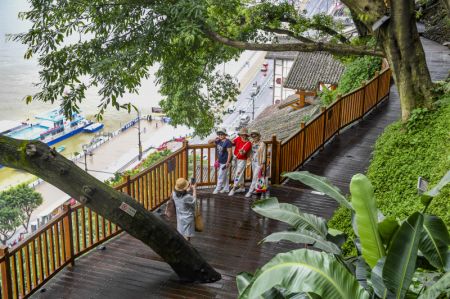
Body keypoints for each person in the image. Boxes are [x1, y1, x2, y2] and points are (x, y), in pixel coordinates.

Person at [209, 128, 232, 194]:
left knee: (220, 175)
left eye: (222, 134)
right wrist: (215, 139)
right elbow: (209, 142)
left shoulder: (228, 142)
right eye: (219, 134)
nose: (220, 135)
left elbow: (230, 153)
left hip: (225, 161)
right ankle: (226, 188)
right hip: (220, 161)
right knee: (225, 176)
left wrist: (228, 162)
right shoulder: (218, 141)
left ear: (225, 134)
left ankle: (217, 189)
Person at [229, 128, 252, 196]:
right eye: (241, 134)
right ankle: (242, 187)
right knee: (240, 173)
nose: (242, 136)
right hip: (236, 158)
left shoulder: (248, 143)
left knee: (238, 174)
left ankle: (234, 188)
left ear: (246, 135)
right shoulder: (238, 138)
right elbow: (232, 143)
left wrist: (242, 151)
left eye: (244, 134)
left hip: (242, 160)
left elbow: (243, 153)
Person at [246, 130, 267, 198]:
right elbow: (249, 151)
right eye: (252, 136)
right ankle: (257, 189)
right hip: (253, 161)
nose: (254, 137)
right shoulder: (252, 143)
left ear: (258, 136)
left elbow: (264, 154)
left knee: (255, 176)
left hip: (259, 162)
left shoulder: (262, 144)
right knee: (256, 176)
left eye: (255, 135)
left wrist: (263, 163)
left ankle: (250, 191)